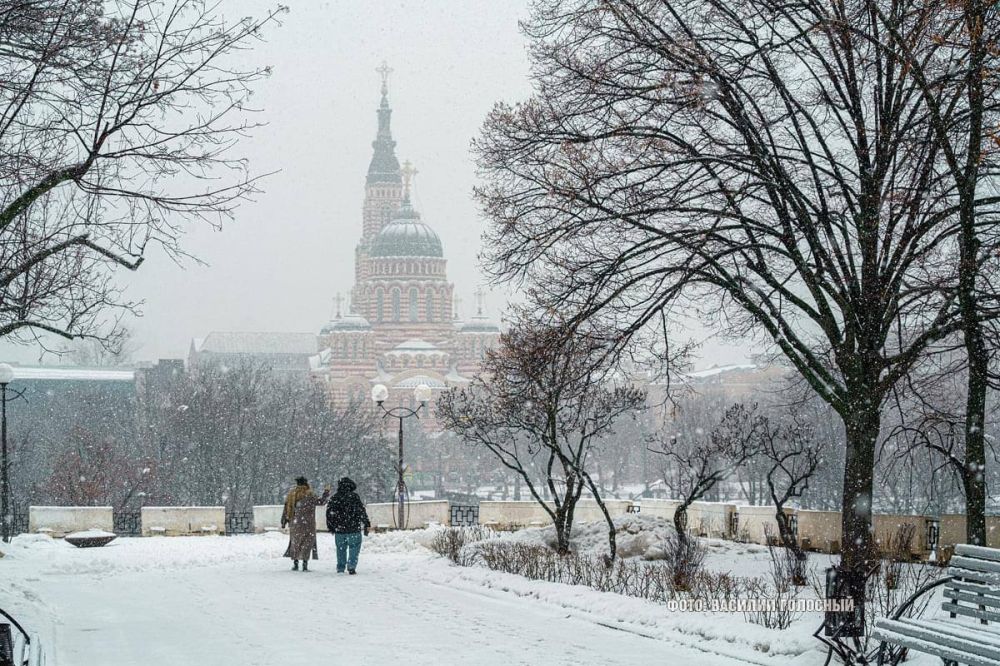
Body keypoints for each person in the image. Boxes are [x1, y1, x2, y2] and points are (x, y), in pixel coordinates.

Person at [282, 476, 330, 571]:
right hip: (308, 524)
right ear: (306, 484)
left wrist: (284, 520)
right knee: (307, 544)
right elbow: (321, 502)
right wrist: (326, 492)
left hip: (295, 523)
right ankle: (305, 564)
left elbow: (286, 507)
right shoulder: (309, 495)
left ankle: (295, 564)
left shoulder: (292, 494)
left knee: (295, 543)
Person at [325, 477, 371, 574]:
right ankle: (351, 566)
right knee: (354, 547)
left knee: (340, 549)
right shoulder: (354, 497)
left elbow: (329, 513)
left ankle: (341, 567)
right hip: (353, 529)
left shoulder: (335, 497)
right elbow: (361, 511)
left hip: (339, 530)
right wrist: (366, 523)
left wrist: (331, 526)